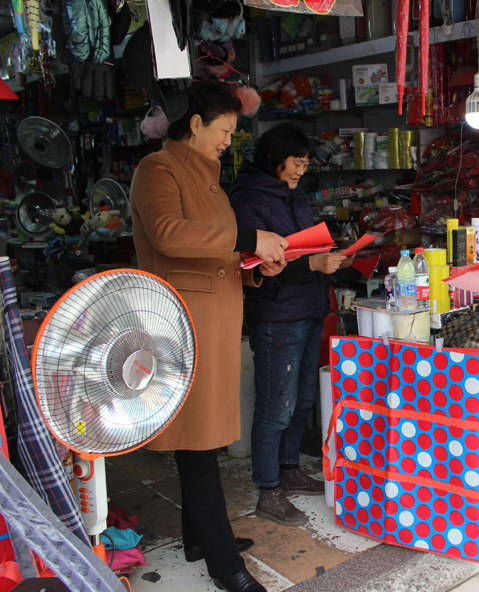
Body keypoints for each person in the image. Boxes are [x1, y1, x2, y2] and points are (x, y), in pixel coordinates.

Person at [130, 79, 290, 592]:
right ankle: (225, 567)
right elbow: (169, 233)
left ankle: (198, 539)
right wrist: (249, 237)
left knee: (202, 441)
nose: (228, 141)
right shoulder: (158, 168)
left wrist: (256, 265)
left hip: (214, 323)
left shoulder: (212, 180)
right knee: (196, 446)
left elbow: (221, 253)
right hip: (181, 327)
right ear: (196, 123)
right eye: (223, 130)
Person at [229, 122, 353, 526]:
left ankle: (289, 469)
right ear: (274, 157)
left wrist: (329, 259)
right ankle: (268, 491)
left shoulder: (293, 193)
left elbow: (305, 249)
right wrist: (313, 264)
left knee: (302, 400)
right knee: (275, 407)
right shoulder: (249, 199)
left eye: (305, 163)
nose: (301, 169)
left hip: (309, 308)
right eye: (296, 162)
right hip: (277, 316)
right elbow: (257, 271)